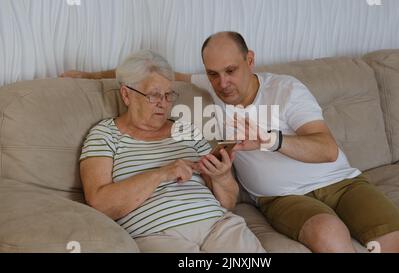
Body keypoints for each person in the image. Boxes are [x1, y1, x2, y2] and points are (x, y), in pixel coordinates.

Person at [64, 32, 399, 253]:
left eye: (231, 71)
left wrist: (259, 148)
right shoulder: (111, 130)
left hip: (328, 186)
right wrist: (89, 77)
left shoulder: (283, 90)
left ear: (250, 61)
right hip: (268, 203)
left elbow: (325, 150)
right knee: (329, 233)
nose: (222, 83)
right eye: (213, 74)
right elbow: (152, 78)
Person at [78, 49, 264, 253]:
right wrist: (162, 173)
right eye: (154, 95)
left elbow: (228, 203)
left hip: (218, 225)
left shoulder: (187, 130)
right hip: (157, 235)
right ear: (126, 94)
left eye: (168, 95)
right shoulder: (105, 134)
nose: (163, 104)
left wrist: (222, 176)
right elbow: (100, 204)